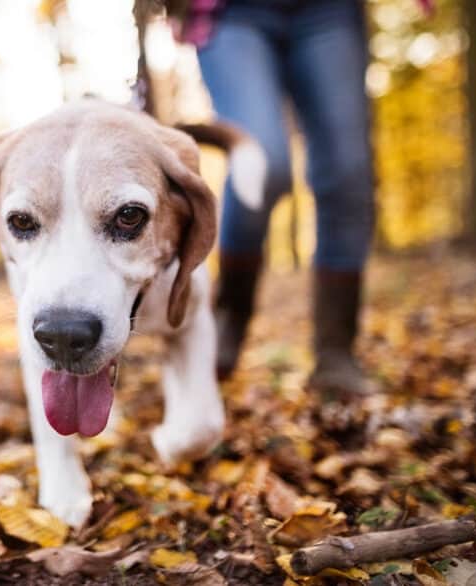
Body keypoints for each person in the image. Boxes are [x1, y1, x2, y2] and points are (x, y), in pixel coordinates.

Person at [170, 0, 430, 395]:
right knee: (263, 160)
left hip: (328, 11)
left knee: (347, 173)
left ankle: (336, 351)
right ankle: (230, 315)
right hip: (232, 14)